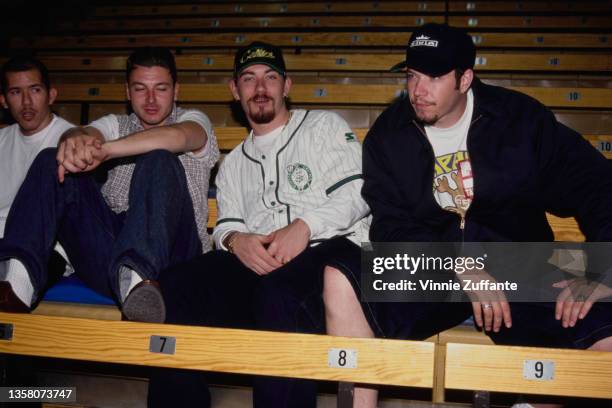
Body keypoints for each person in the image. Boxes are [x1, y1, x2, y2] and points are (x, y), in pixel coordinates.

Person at [362, 22, 612, 386]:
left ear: (465, 79)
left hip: (517, 264)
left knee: (601, 325)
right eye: (412, 75)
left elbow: (597, 185)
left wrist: (602, 268)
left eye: (433, 77)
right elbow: (389, 225)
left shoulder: (520, 120)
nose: (418, 90)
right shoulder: (389, 134)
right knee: (356, 286)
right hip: (432, 268)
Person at [152, 41, 377, 408]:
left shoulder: (323, 127)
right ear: (234, 90)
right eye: (249, 78)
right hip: (261, 266)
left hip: (331, 259)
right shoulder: (234, 163)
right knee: (177, 286)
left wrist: (304, 227)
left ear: (286, 86)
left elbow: (359, 194)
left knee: (278, 294)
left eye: (271, 77)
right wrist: (234, 240)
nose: (260, 88)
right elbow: (224, 226)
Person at [0, 47, 219, 322]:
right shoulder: (116, 124)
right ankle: (18, 284)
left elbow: (177, 137)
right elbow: (83, 132)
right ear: (127, 92)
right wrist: (74, 139)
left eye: (161, 88)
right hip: (114, 258)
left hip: (177, 256)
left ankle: (139, 281)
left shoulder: (195, 120)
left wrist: (106, 150)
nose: (150, 99)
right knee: (50, 159)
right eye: (140, 89)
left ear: (176, 91)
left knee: (158, 159)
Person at [0, 56, 75, 311]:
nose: (27, 102)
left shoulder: (73, 139)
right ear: (3, 100)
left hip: (47, 247)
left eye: (35, 90)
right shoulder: (1, 140)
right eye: (15, 92)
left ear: (51, 95)